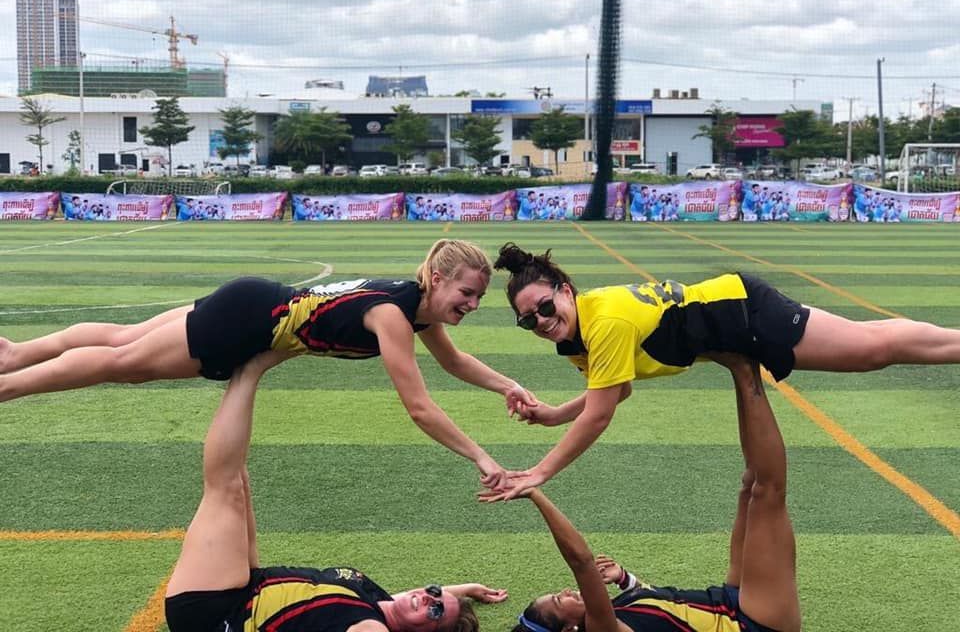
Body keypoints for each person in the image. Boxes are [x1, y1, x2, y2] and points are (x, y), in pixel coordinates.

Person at [0, 239, 538, 489]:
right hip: (248, 324)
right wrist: (481, 456)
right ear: (438, 279)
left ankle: (15, 354)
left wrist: (506, 385)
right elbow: (419, 408)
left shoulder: (413, 302)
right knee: (122, 362)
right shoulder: (395, 316)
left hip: (252, 300)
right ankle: (10, 384)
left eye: (476, 298)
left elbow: (456, 362)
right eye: (465, 293)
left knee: (122, 339)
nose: (469, 304)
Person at [489, 241, 960, 498]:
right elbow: (616, 391)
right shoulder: (576, 336)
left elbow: (600, 414)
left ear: (566, 290)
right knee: (868, 342)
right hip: (736, 312)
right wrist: (551, 415)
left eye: (546, 306)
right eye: (528, 319)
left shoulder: (603, 322)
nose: (542, 322)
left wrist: (540, 471)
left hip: (742, 315)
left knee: (871, 351)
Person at [166, 351, 510, 632]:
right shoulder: (378, 601)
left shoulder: (371, 628)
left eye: (435, 612)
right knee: (239, 478)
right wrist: (463, 591)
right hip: (249, 587)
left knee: (225, 488)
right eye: (434, 594)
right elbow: (407, 597)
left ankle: (249, 367)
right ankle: (247, 369)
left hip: (215, 612)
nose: (427, 599)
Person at [488, 354, 800, 632]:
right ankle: (745, 369)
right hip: (755, 623)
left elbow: (664, 610)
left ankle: (740, 365)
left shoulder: (615, 613)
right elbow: (580, 560)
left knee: (750, 484)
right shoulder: (602, 628)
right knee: (767, 491)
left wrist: (627, 580)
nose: (567, 591)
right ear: (569, 630)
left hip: (729, 600)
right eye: (559, 600)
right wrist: (535, 494)